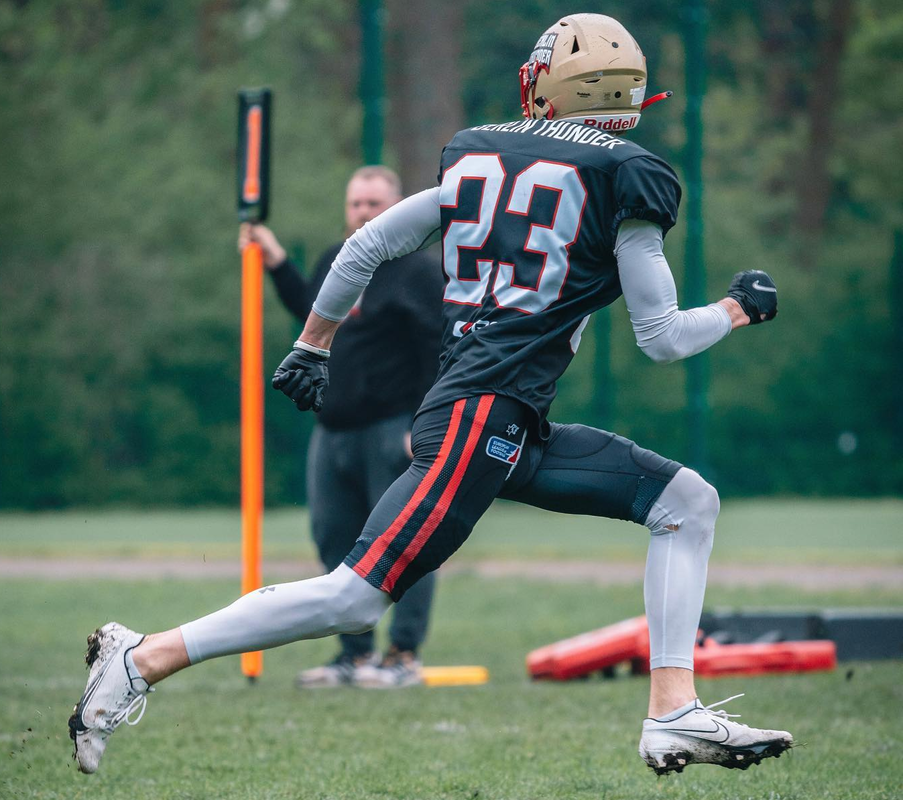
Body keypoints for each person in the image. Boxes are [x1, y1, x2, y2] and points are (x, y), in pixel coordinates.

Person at [69, 13, 793, 777]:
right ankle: (142, 657)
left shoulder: (479, 155)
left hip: (504, 419)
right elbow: (664, 338)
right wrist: (739, 307)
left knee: (687, 503)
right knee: (353, 598)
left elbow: (369, 244)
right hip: (483, 412)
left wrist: (311, 341)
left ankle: (672, 712)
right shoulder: (626, 175)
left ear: (544, 87)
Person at [237, 165, 443, 688]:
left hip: (393, 428)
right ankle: (354, 656)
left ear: (397, 208)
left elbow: (437, 351)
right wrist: (275, 257)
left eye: (376, 204)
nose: (365, 213)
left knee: (406, 543)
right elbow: (310, 311)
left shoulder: (417, 271)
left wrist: (422, 423)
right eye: (356, 204)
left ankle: (403, 655)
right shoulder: (339, 259)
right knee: (334, 540)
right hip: (333, 430)